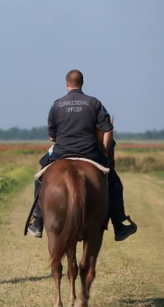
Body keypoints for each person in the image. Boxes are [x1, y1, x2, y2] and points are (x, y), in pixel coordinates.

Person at [27, 69, 137, 242]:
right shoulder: (93, 103)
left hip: (61, 153)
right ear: (82, 83)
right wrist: (104, 150)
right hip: (89, 153)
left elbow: (52, 136)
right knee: (114, 182)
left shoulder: (57, 104)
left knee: (40, 177)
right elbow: (108, 129)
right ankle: (119, 225)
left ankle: (38, 221)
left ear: (67, 84)